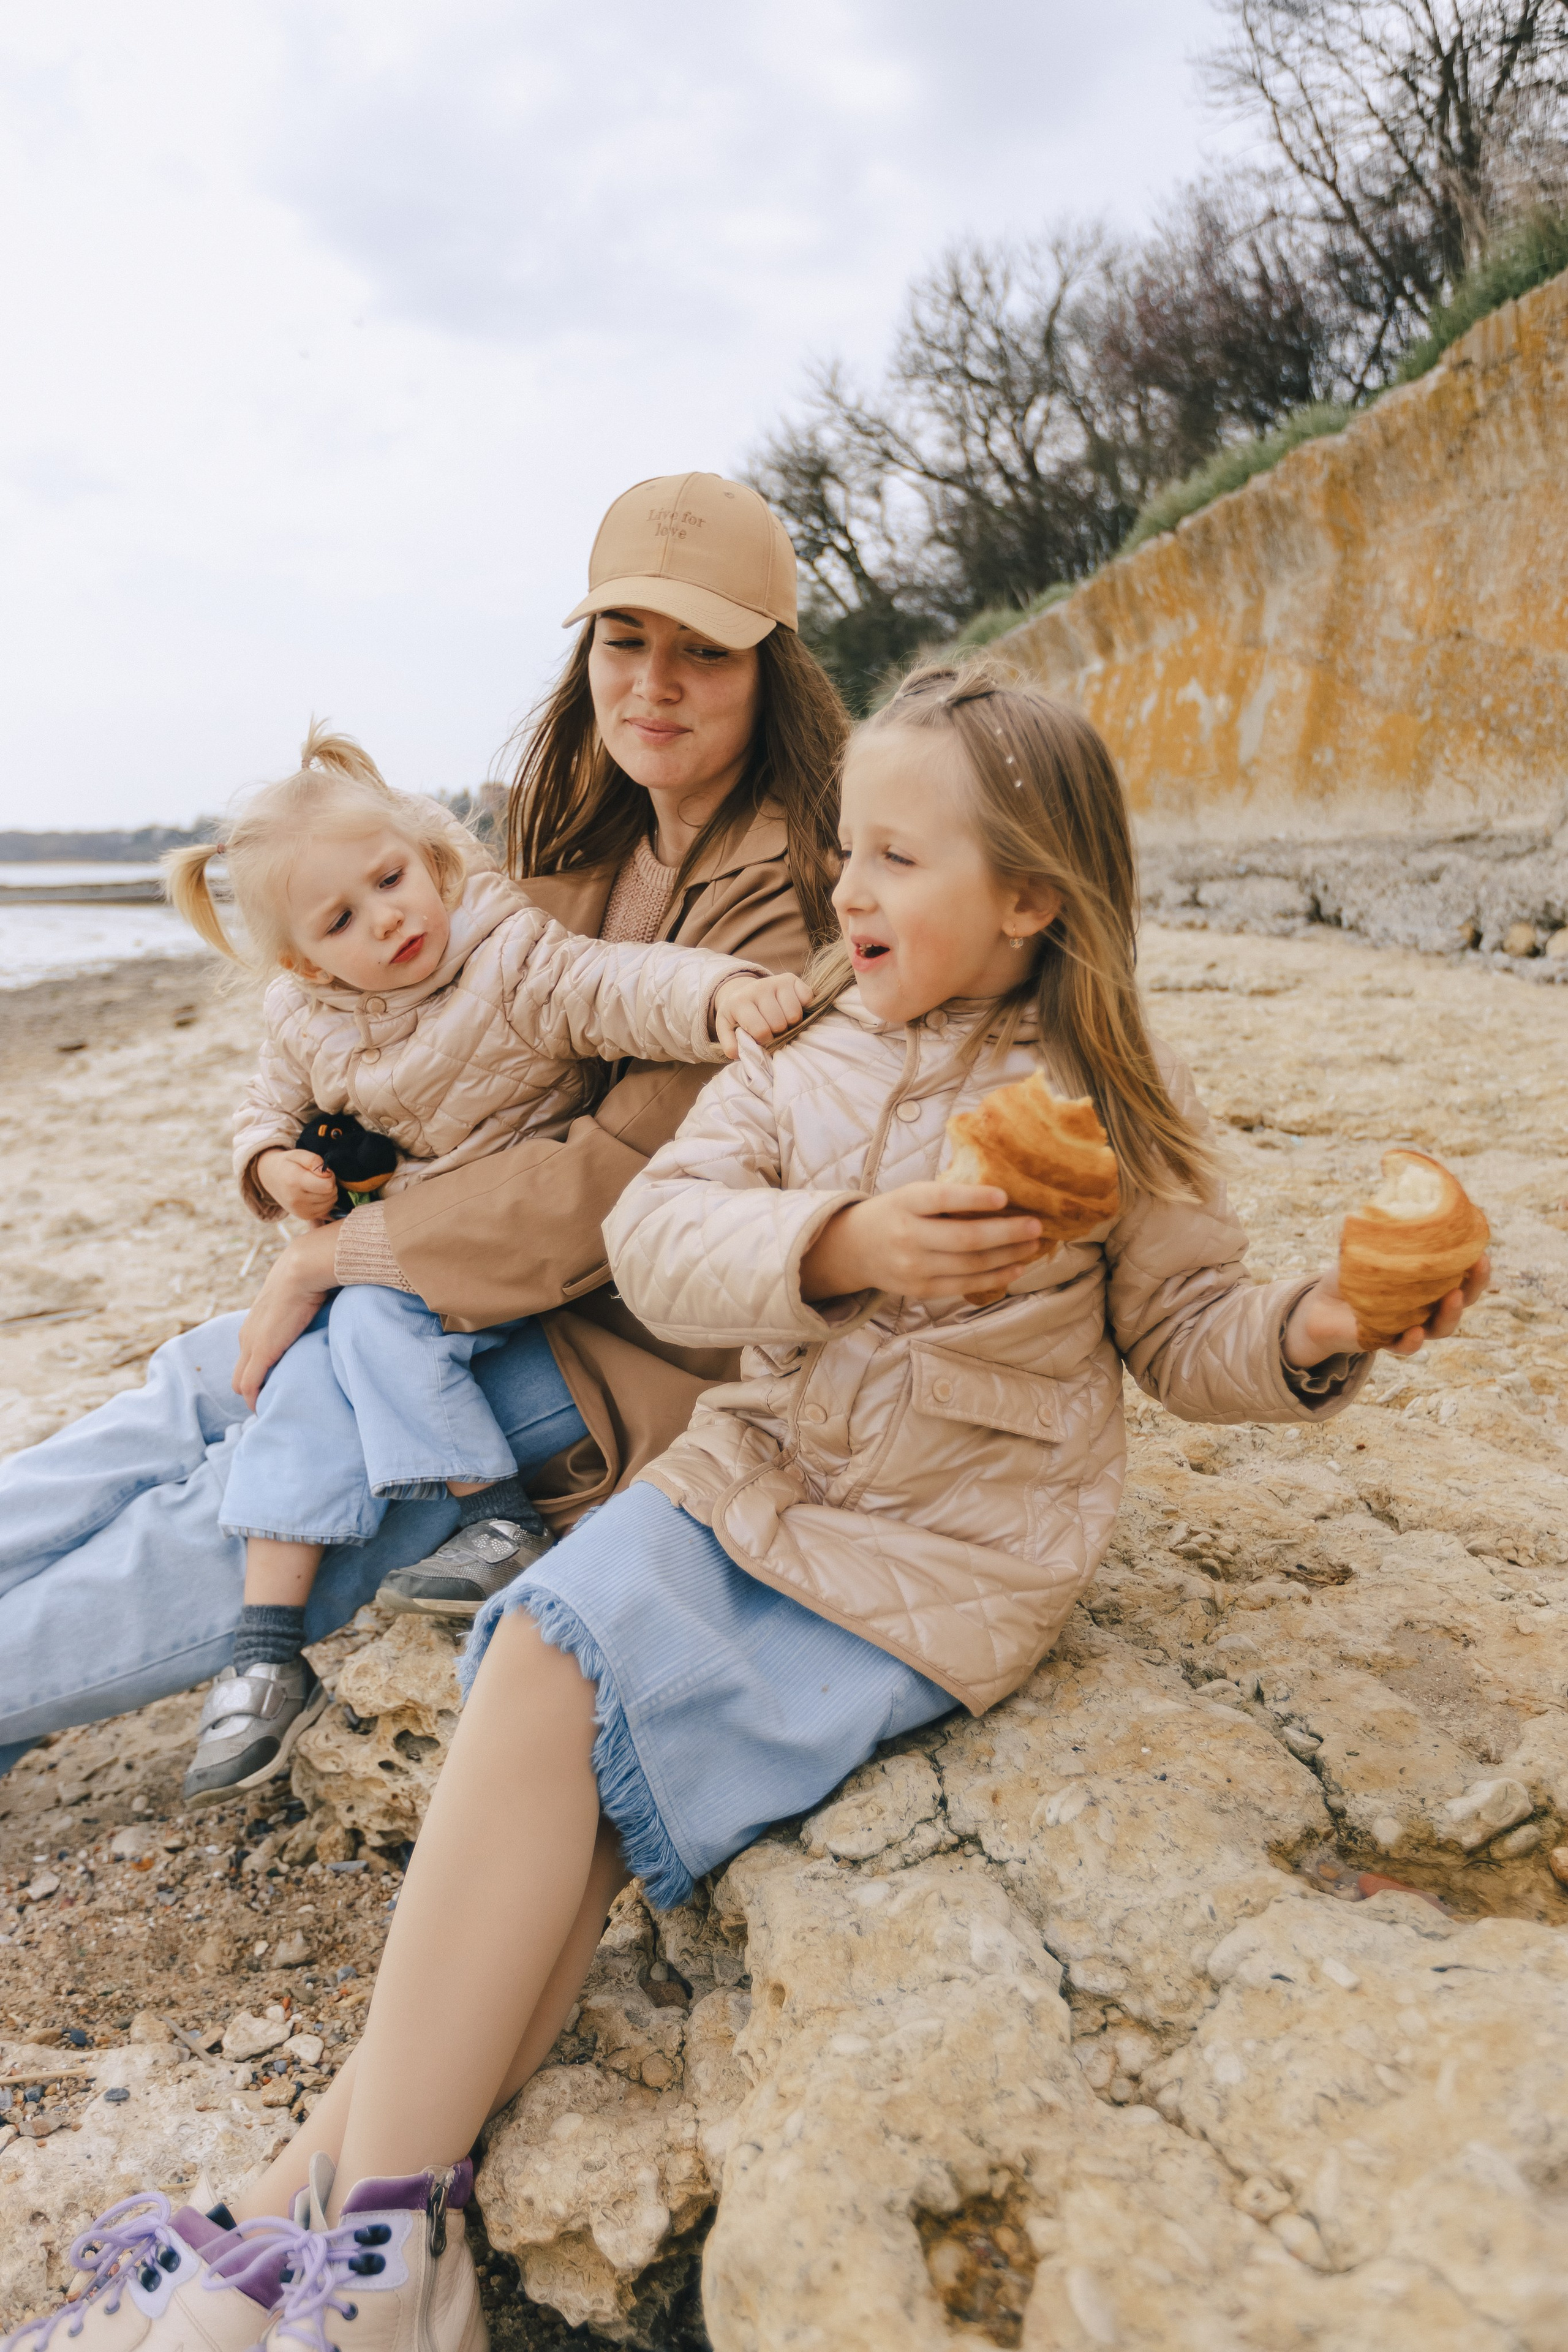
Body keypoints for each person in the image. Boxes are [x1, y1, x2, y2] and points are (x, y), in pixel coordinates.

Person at [1, 663, 1490, 2351]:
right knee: (536, 1667)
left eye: (898, 862)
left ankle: (330, 2232)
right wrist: (841, 1243)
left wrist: (1319, 1331)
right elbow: (662, 1239)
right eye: (846, 851)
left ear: (1030, 899)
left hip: (935, 1550)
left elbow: (1188, 1331)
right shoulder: (807, 1057)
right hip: (759, 1471)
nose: (847, 890)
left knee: (561, 1719)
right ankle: (342, 2227)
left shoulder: (1104, 1100)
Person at [0, 472, 845, 1782]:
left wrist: (340, 1258)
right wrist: (309, 1189)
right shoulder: (579, 842)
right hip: (445, 1289)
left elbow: (622, 1180)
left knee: (234, 1500)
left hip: (606, 1346)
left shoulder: (790, 892)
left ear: (769, 667)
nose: (653, 684)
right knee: (188, 1394)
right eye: (626, 640)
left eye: (703, 651)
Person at [159, 723, 809, 1807]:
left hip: (498, 1264)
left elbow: (619, 983)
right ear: (303, 961)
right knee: (295, 1386)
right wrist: (274, 1168)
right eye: (344, 919)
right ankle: (265, 1646)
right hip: (400, 1261)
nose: (390, 918)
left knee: (356, 1330)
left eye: (392, 878)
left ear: (433, 858)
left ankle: (494, 1513)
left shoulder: (510, 955)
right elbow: (262, 1107)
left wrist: (721, 995)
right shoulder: (304, 1018)